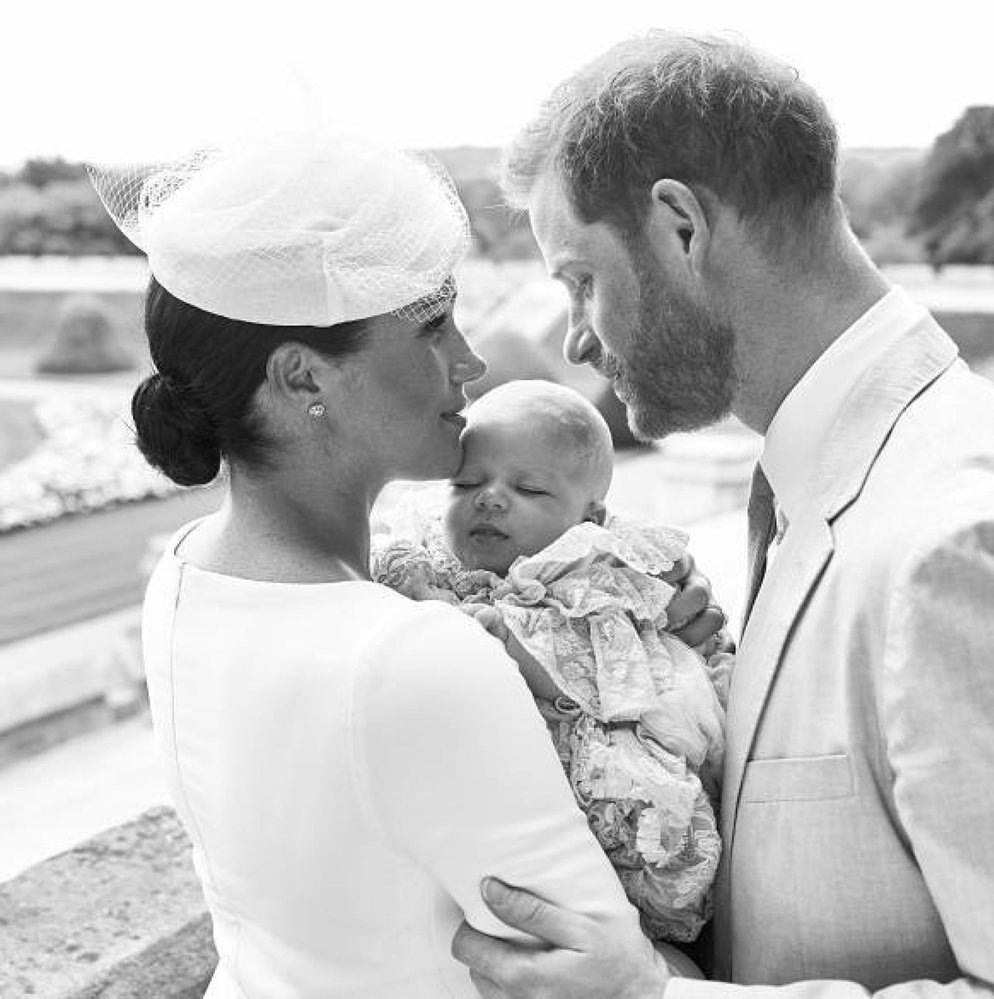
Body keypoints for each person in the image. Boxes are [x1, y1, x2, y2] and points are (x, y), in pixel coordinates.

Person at [450, 31, 994, 999]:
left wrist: (655, 997)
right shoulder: (822, 484)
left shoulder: (951, 542)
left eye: (581, 281)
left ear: (679, 227)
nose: (579, 340)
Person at [91, 130, 720, 997]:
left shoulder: (187, 570)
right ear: (303, 376)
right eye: (432, 327)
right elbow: (607, 973)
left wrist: (625, 612)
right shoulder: (419, 653)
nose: (469, 360)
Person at [373, 379, 733, 948]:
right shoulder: (424, 552)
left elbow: (598, 669)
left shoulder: (592, 574)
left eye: (531, 489)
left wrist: (493, 633)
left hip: (594, 755)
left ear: (590, 515)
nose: (489, 497)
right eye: (466, 482)